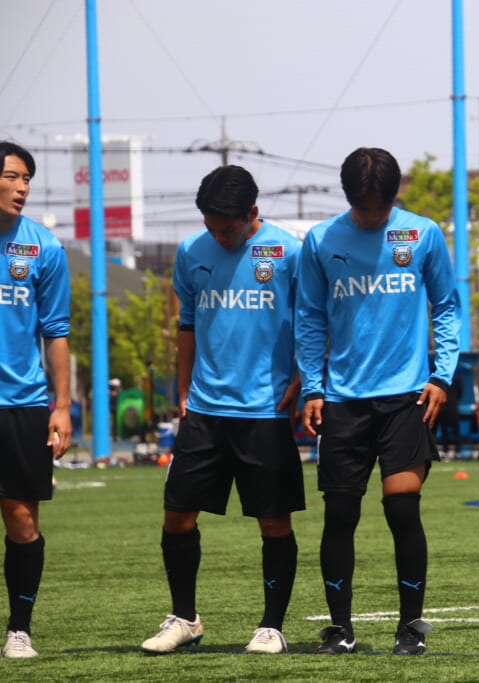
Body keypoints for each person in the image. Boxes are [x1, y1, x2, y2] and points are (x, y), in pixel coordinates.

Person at [296, 147, 460, 656]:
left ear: (395, 195)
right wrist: (313, 386)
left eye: (381, 206)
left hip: (407, 400)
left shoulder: (423, 233)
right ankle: (340, 631)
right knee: (340, 516)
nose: (372, 216)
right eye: (363, 207)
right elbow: (309, 317)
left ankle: (410, 629)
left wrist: (442, 375)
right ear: (348, 197)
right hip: (343, 402)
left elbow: (447, 306)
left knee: (402, 508)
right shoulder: (321, 240)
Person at [141, 165, 305, 655]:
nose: (218, 236)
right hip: (205, 409)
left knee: (273, 523)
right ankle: (184, 619)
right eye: (211, 227)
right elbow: (187, 323)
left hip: (266, 410)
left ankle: (271, 627)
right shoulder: (191, 252)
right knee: (177, 516)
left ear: (252, 212)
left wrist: (303, 379)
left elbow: (313, 320)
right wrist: (183, 388)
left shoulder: (290, 252)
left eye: (227, 228)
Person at [0, 141, 71, 658]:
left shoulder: (43, 247)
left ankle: (19, 630)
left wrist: (61, 407)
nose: (22, 187)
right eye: (12, 176)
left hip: (21, 403)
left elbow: (56, 332)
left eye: (27, 178)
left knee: (21, 517)